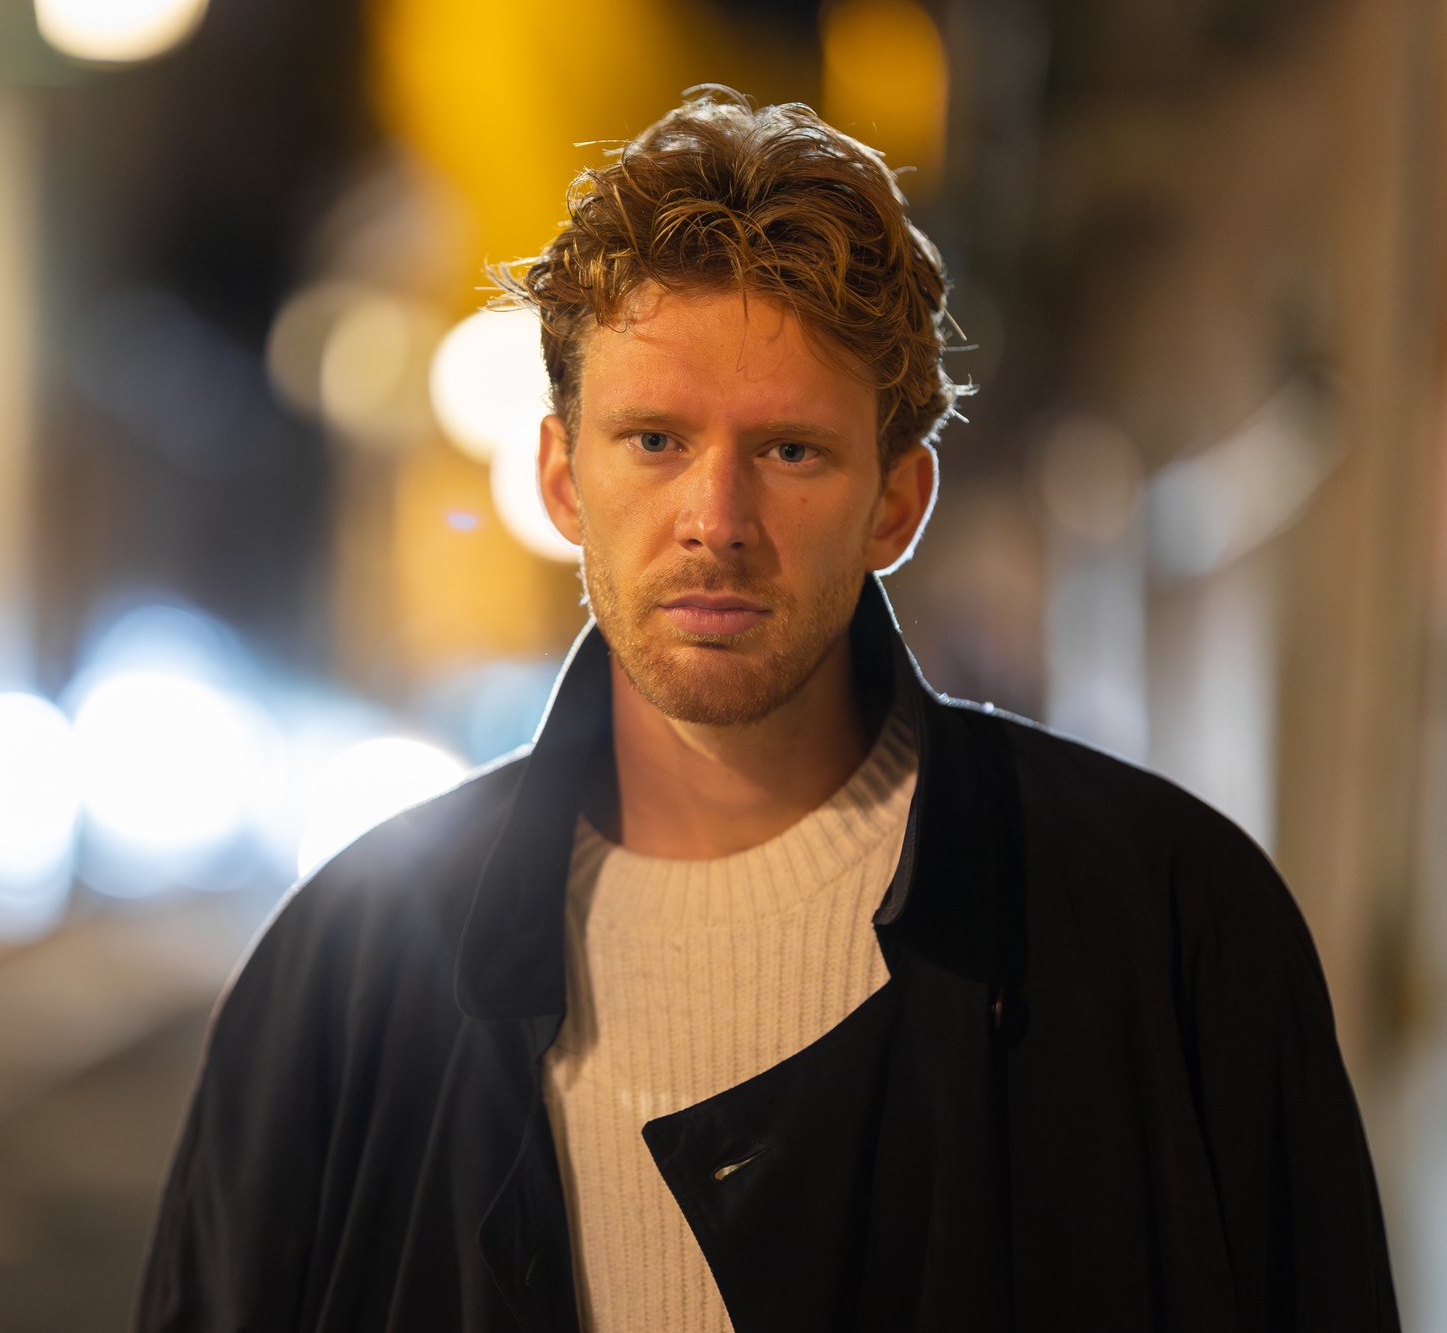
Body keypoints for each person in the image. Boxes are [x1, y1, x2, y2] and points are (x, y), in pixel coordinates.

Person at [136, 88, 1396, 1331]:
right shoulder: (343, 978)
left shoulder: (1166, 926)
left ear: (896, 504)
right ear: (560, 479)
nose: (716, 523)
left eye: (789, 450)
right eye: (653, 441)